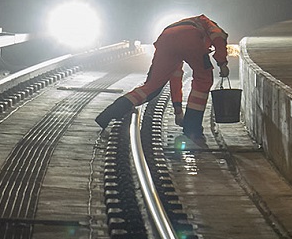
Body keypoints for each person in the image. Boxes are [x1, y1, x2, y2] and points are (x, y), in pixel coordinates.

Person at [95, 14, 230, 145]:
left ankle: (110, 113)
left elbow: (175, 78)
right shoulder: (208, 23)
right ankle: (192, 130)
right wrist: (222, 63)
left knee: (152, 86)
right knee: (203, 80)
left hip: (166, 38)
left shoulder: (185, 26)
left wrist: (178, 111)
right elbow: (219, 37)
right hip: (190, 37)